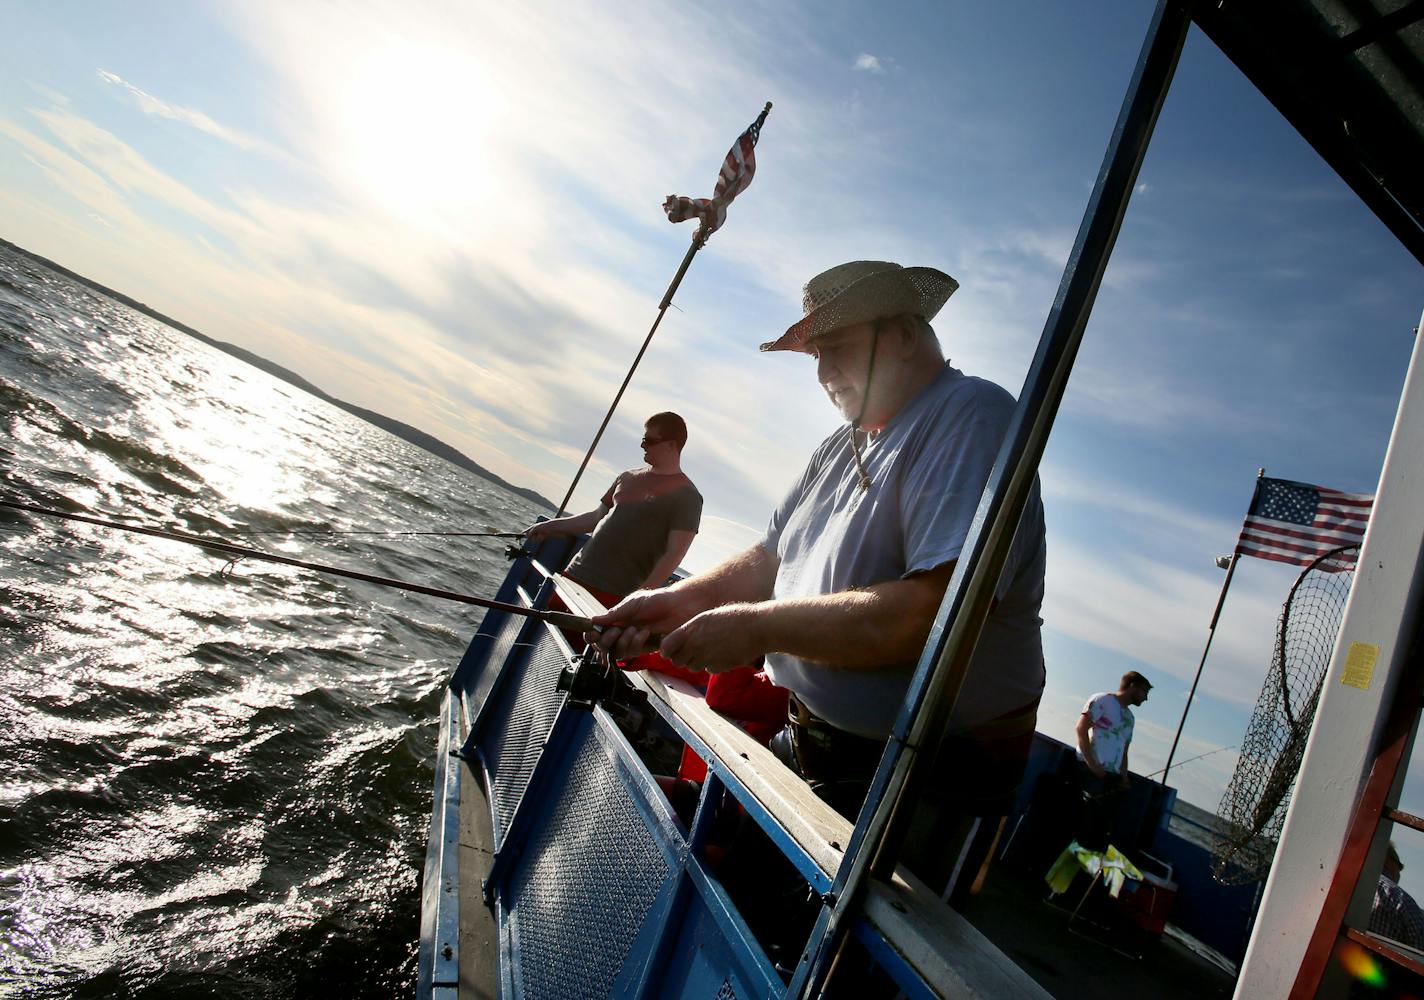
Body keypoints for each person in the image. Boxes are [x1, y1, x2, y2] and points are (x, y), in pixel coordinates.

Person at [592, 260, 1048, 906]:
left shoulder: (973, 417)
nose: (820, 371)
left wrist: (756, 626)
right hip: (809, 747)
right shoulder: (839, 447)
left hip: (915, 791)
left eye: (833, 349)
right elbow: (763, 562)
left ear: (903, 336)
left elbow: (928, 616)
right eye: (814, 355)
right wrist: (671, 602)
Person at [524, 411, 702, 605]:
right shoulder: (626, 477)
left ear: (671, 445)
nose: (642, 445)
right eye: (643, 439)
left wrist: (638, 598)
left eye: (649, 440)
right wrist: (549, 526)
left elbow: (675, 553)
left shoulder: (688, 497)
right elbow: (596, 517)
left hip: (614, 595)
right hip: (574, 576)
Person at [1074, 670, 1152, 850]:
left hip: (1111, 778)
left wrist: (1124, 778)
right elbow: (1081, 729)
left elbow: (1124, 752)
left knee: (1098, 828)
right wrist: (1092, 765)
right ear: (1132, 686)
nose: (1146, 698)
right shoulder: (1102, 700)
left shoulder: (1130, 718)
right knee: (1082, 822)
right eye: (1144, 691)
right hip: (1088, 771)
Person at [1371, 842, 1424, 951]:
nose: (1400, 872)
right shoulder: (1399, 898)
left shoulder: (1353, 882)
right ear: (1389, 861)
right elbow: (1420, 948)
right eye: (1400, 866)